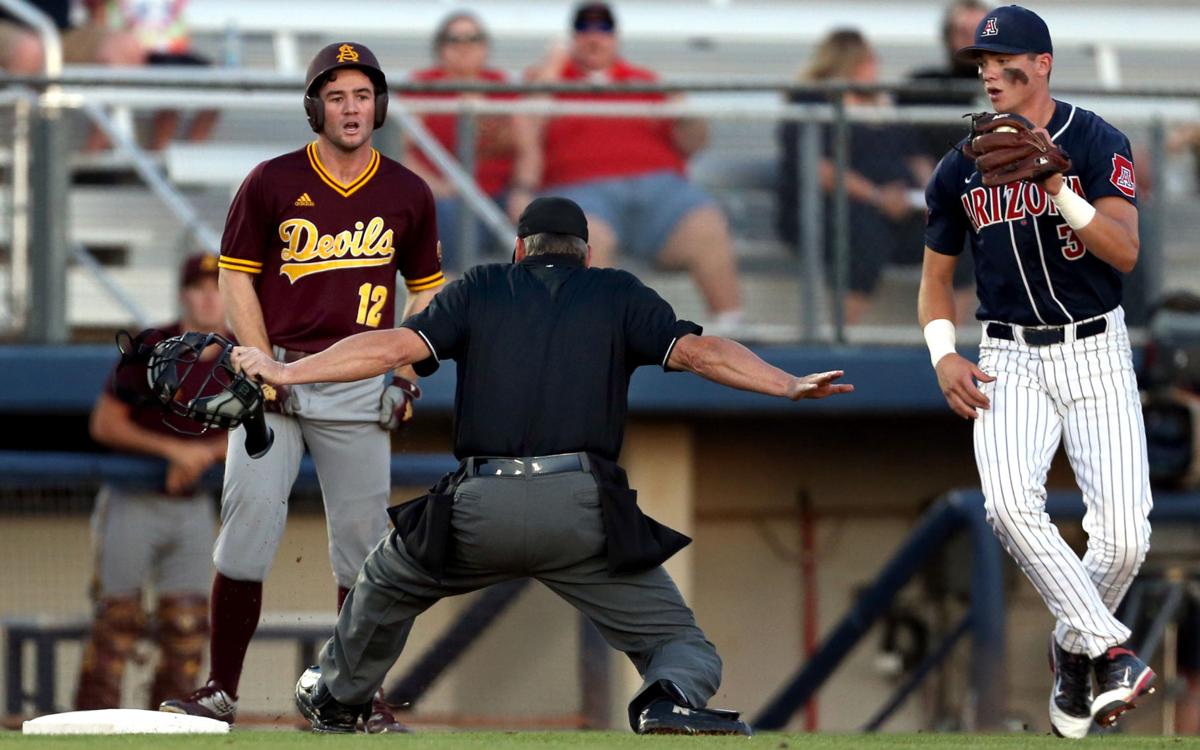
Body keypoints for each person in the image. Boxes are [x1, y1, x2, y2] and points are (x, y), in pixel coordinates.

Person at [230, 195, 852, 735]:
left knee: (383, 584)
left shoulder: (479, 286)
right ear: (585, 252)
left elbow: (393, 344)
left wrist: (288, 369)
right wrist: (787, 384)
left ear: (521, 248)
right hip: (581, 515)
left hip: (477, 510)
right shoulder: (617, 291)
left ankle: (339, 697)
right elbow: (699, 353)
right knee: (682, 646)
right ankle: (666, 700)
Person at [157, 41, 445, 734]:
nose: (352, 108)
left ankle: (353, 696)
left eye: (363, 95)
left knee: (363, 548)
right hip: (275, 374)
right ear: (315, 105)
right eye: (338, 95)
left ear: (380, 103)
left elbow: (431, 292)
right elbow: (235, 276)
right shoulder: (271, 180)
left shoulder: (408, 191)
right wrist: (260, 363)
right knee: (248, 530)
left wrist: (403, 370)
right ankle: (221, 688)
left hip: (357, 376)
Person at [918, 5, 1155, 739]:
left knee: (1125, 540)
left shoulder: (1094, 139)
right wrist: (941, 353)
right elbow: (935, 281)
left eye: (1004, 61)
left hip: (1094, 346)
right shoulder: (961, 165)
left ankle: (1072, 645)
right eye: (982, 64)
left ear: (1043, 64)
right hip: (1007, 351)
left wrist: (1060, 189)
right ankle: (1109, 649)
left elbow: (1124, 253)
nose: (990, 73)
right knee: (1009, 506)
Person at [515, 2, 744, 332]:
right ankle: (589, 338)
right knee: (585, 239)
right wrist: (553, 67)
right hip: (581, 188)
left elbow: (694, 143)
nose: (594, 39)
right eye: (584, 31)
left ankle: (734, 335)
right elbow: (525, 129)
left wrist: (686, 112)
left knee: (706, 225)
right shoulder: (546, 80)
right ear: (572, 37)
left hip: (658, 187)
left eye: (603, 30)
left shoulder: (644, 80)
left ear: (616, 38)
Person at [75, 253, 227, 711]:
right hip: (133, 498)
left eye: (218, 287)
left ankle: (170, 732)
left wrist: (206, 453)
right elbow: (105, 423)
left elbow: (268, 427)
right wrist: (175, 450)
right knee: (116, 625)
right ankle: (90, 740)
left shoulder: (243, 353)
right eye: (200, 287)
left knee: (187, 631)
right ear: (184, 294)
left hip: (194, 503)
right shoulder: (150, 347)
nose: (208, 296)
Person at [777, 29, 934, 324]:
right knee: (862, 235)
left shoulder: (885, 106)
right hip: (832, 212)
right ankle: (840, 339)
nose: (875, 67)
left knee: (953, 239)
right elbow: (820, 169)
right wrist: (877, 197)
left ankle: (949, 345)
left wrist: (931, 196)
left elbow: (916, 155)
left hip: (900, 208)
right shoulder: (811, 103)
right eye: (868, 60)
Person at [404, 11, 530, 270]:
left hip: (499, 196)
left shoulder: (500, 86)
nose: (464, 46)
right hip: (448, 198)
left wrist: (522, 189)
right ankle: (455, 295)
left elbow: (527, 148)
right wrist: (438, 185)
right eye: (454, 39)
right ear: (440, 47)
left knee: (538, 219)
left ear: (485, 46)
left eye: (473, 38)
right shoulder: (425, 86)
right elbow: (398, 149)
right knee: (447, 217)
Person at [90, 0, 219, 151]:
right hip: (140, 53)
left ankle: (193, 152)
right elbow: (98, 15)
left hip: (176, 51)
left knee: (220, 83)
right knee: (170, 92)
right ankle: (160, 153)